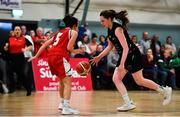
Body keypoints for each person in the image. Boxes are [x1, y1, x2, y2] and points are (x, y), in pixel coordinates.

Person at [91, 9, 172, 111]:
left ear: (109, 19)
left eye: (103, 20)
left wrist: (122, 64)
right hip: (126, 55)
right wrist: (99, 56)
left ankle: (163, 91)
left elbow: (126, 48)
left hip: (132, 54)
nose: (101, 23)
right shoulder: (109, 30)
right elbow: (109, 47)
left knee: (137, 80)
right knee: (124, 79)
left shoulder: (118, 29)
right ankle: (130, 102)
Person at [28, 15, 82, 115]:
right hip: (60, 57)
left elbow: (44, 44)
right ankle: (66, 107)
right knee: (68, 83)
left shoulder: (59, 32)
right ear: (75, 25)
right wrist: (78, 50)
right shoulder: (73, 32)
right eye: (78, 25)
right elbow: (70, 48)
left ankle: (61, 104)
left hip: (51, 57)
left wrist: (36, 56)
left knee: (62, 81)